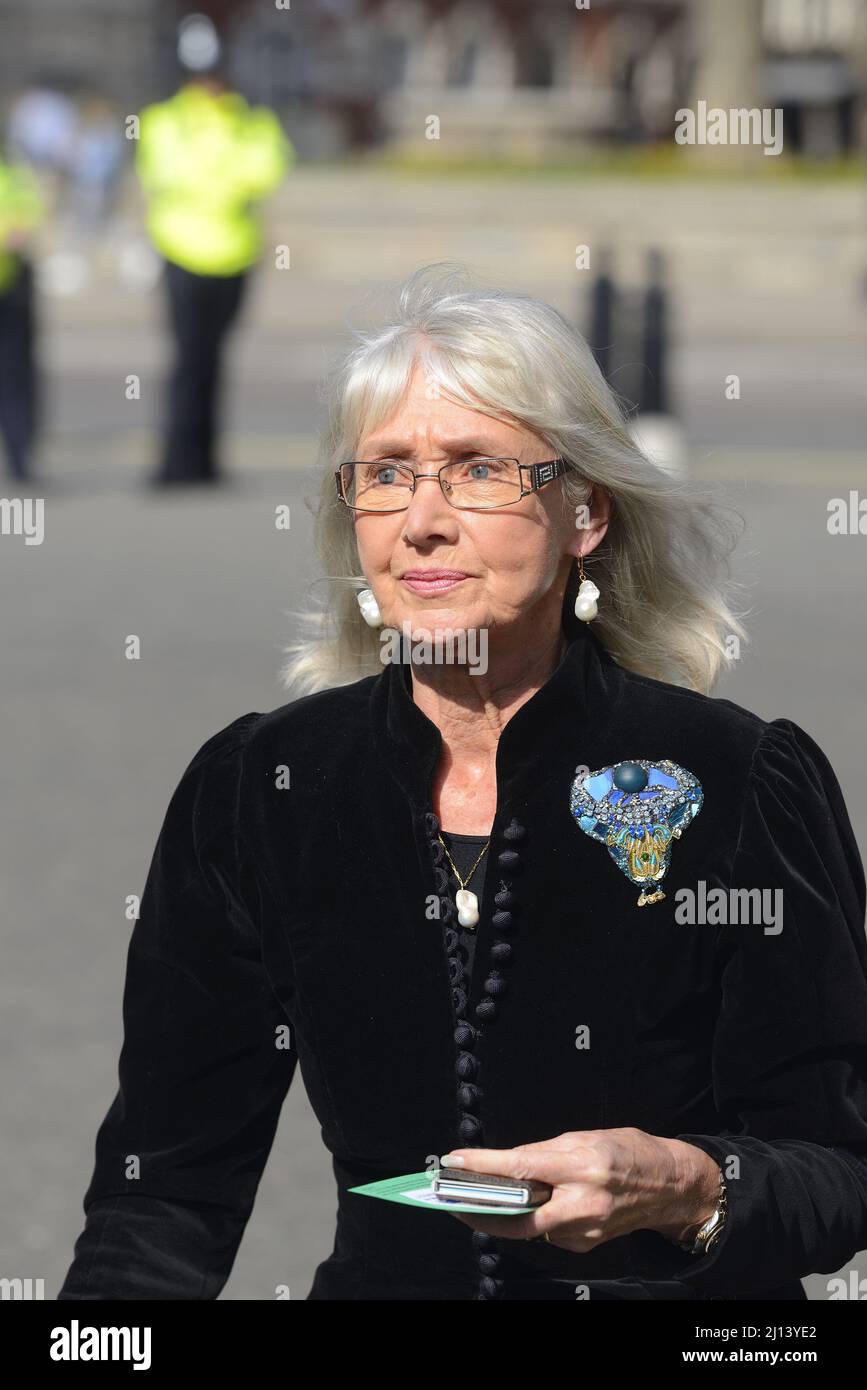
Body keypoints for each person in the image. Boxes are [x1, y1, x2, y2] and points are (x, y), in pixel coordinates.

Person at [58, 266, 867, 1300]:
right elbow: (161, 1193)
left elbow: (839, 1165)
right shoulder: (263, 789)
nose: (422, 520)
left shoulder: (738, 778)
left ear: (586, 516)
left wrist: (689, 1184)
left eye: (481, 469)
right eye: (386, 472)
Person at [135, 31, 292, 485]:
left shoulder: (249, 120)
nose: (208, 84)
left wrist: (214, 180)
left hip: (234, 256)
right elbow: (166, 172)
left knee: (215, 360)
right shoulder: (164, 120)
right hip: (182, 253)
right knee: (186, 360)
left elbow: (265, 172)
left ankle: (206, 462)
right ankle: (176, 462)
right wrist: (225, 180)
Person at [0, 155, 43, 483]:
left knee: (15, 376)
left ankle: (20, 454)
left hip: (11, 283)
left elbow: (29, 217)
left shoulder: (14, 174)